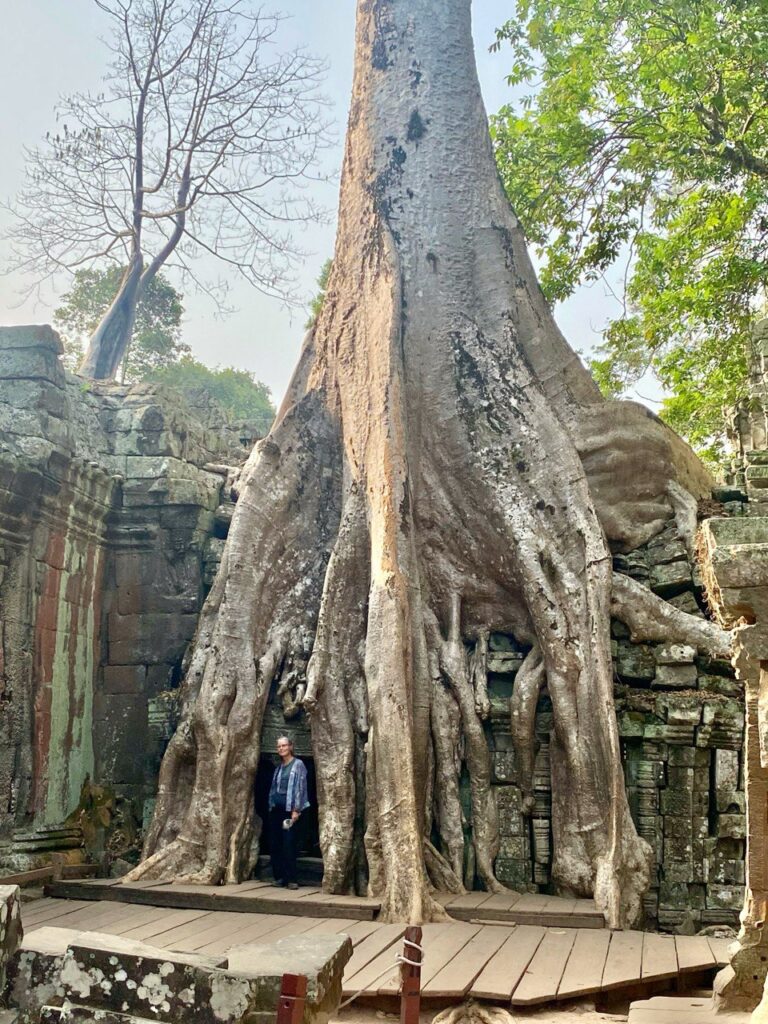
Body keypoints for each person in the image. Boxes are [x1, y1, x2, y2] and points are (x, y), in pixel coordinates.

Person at [268, 735, 310, 889]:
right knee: (276, 843)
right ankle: (279, 877)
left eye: (284, 746)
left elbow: (301, 787)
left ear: (290, 747)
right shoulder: (279, 767)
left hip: (290, 811)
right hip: (276, 810)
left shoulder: (298, 765)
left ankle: (291, 879)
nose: (281, 749)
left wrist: (296, 810)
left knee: (289, 844)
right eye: (279, 746)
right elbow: (274, 788)